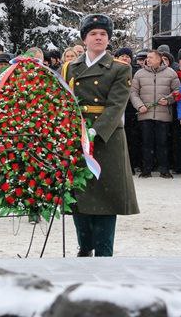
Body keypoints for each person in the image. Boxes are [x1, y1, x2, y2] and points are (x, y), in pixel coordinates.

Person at [61, 14, 139, 257]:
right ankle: (85, 248)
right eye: (93, 34)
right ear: (84, 39)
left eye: (103, 34)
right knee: (79, 195)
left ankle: (105, 253)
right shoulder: (70, 67)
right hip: (76, 136)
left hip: (107, 139)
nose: (98, 38)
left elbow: (116, 106)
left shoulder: (120, 68)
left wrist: (95, 131)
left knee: (106, 198)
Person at [130, 49, 180, 179]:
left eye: (151, 57)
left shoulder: (171, 73)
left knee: (163, 143)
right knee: (146, 143)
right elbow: (133, 93)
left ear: (159, 59)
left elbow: (177, 91)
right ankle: (146, 170)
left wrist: (168, 100)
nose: (148, 60)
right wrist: (139, 105)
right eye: (147, 57)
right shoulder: (139, 74)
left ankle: (164, 169)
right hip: (145, 114)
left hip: (163, 115)